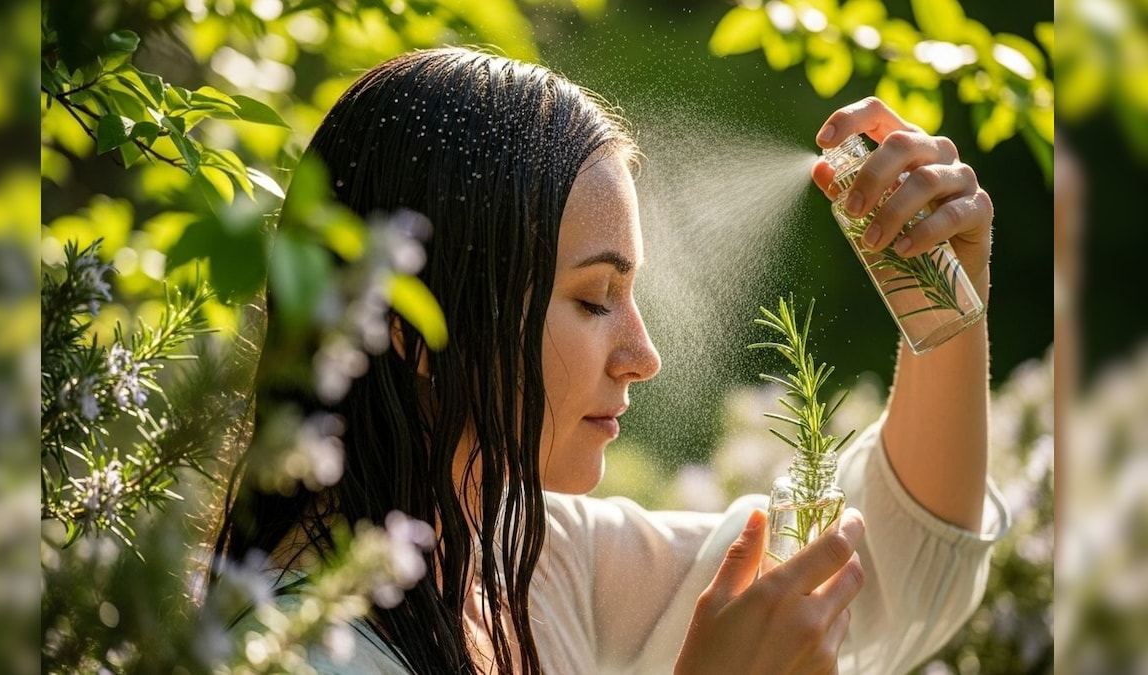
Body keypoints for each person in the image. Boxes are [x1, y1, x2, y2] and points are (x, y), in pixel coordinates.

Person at [213, 46, 1008, 674]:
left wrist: (947, 310)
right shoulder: (296, 653)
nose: (644, 356)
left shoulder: (532, 564)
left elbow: (889, 576)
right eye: (595, 298)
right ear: (412, 324)